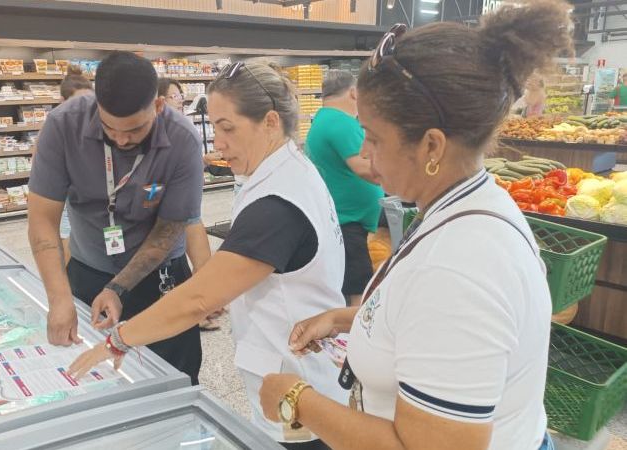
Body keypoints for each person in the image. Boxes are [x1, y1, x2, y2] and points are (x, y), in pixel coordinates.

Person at [258, 2, 570, 449]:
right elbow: (431, 327)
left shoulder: (459, 268)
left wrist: (296, 398)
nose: (365, 154)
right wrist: (348, 319)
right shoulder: (472, 204)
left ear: (431, 146)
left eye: (375, 137)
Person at [69, 61, 348, 449]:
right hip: (295, 378)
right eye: (214, 126)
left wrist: (118, 341)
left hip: (298, 394)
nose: (217, 144)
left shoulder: (277, 204)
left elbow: (197, 300)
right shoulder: (289, 172)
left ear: (269, 122)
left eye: (228, 128)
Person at [28, 51, 204, 384]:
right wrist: (59, 297)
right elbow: (42, 220)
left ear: (158, 107)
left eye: (134, 130)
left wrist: (118, 287)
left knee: (173, 377)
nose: (121, 138)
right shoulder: (63, 125)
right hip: (87, 271)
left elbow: (168, 232)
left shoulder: (183, 140)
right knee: (92, 376)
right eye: (110, 128)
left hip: (160, 278)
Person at [306, 70, 384, 307]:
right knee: (358, 290)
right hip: (349, 222)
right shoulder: (341, 121)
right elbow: (366, 169)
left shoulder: (323, 118)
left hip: (343, 218)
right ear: (353, 92)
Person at [157, 78, 221, 331]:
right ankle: (198, 306)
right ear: (159, 101)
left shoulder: (181, 129)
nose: (180, 99)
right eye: (174, 96)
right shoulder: (160, 130)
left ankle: (202, 304)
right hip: (171, 207)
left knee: (193, 248)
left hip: (185, 204)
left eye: (181, 94)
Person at [56, 66, 94, 265]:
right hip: (66, 200)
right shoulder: (53, 130)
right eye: (79, 103)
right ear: (63, 103)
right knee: (69, 252)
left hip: (93, 203)